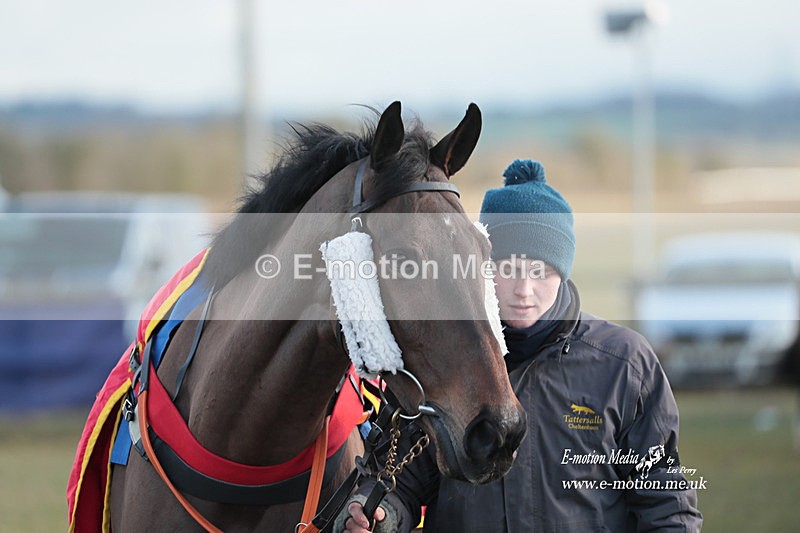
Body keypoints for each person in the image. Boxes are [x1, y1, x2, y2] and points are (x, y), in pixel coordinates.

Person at [338, 159, 703, 532]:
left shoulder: (624, 364)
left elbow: (665, 506)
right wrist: (381, 516)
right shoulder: (439, 356)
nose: (524, 290)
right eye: (508, 269)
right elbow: (400, 482)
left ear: (563, 270)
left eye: (540, 271)